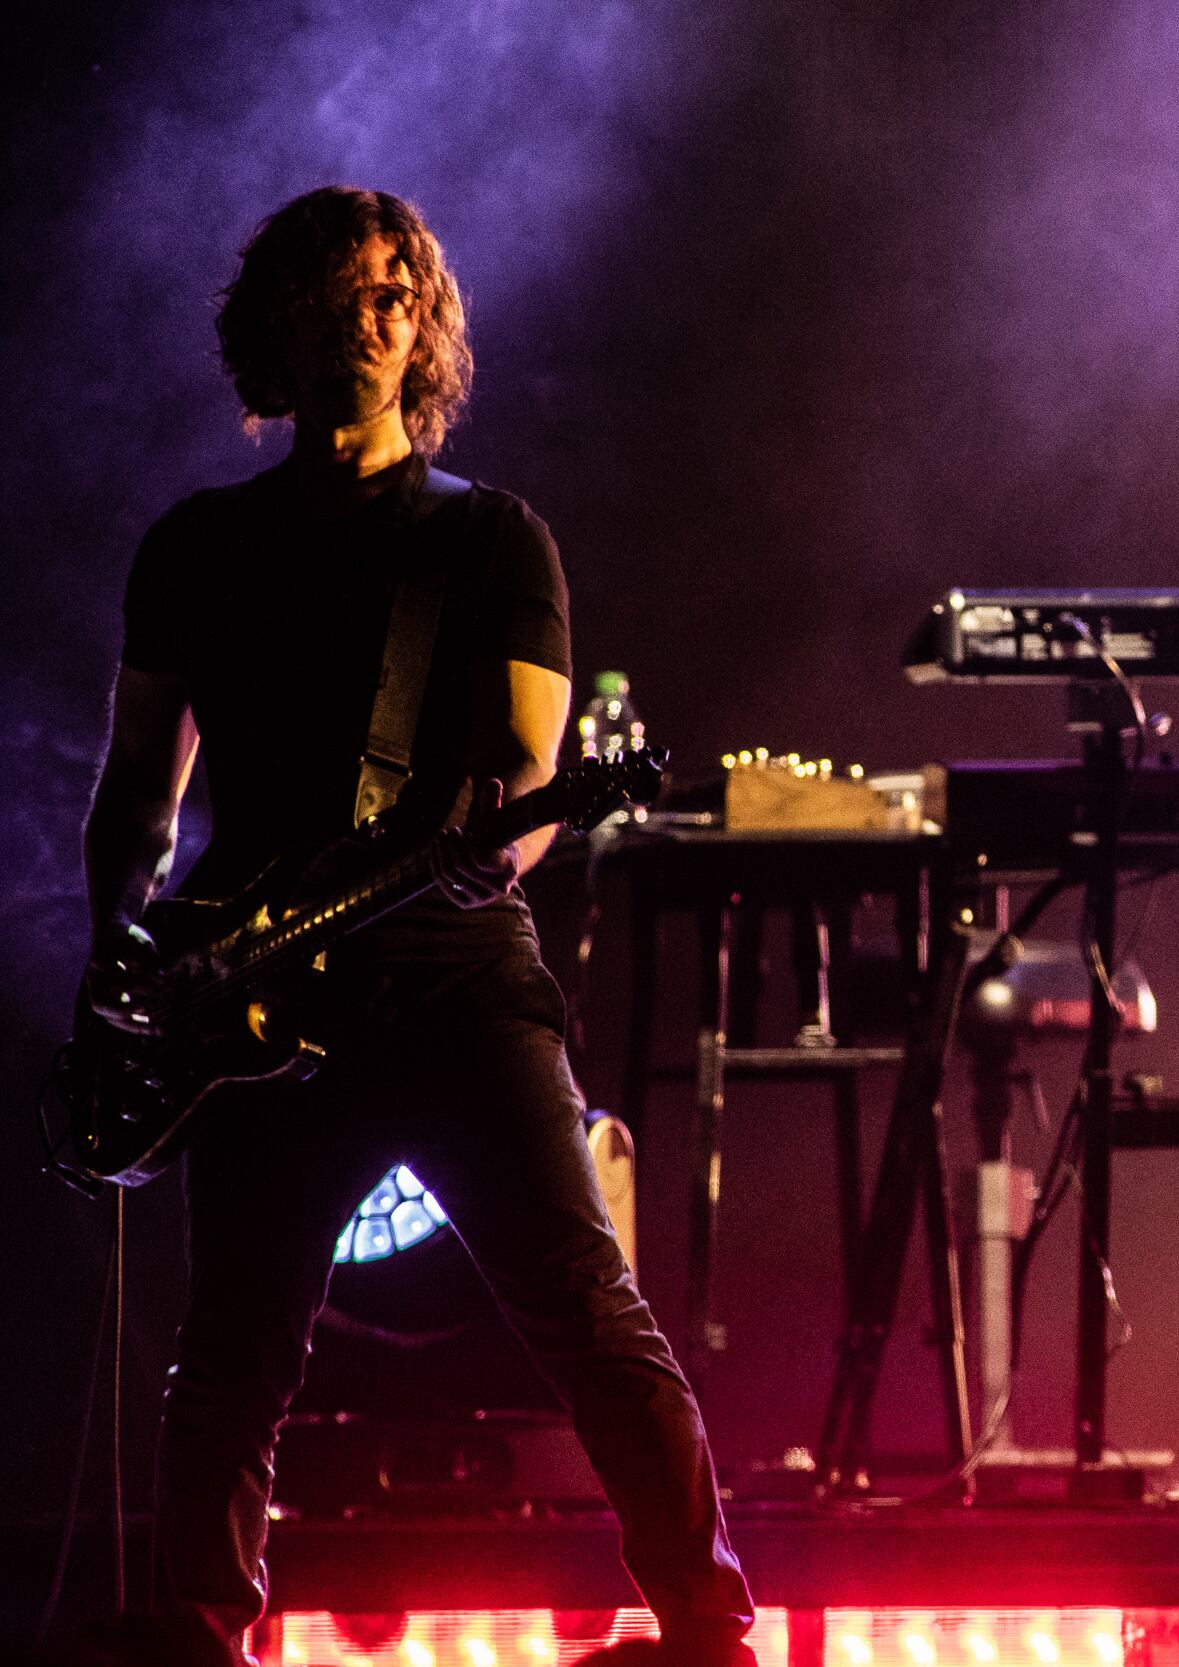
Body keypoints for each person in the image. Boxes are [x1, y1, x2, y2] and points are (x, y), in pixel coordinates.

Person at [78, 188, 753, 1666]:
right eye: (337, 294)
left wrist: (486, 844)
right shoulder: (195, 549)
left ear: (424, 328)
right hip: (252, 1006)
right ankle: (200, 1639)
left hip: (451, 988)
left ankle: (711, 1634)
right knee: (230, 1360)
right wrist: (118, 972)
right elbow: (137, 798)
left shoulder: (491, 541)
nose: (367, 320)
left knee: (587, 1313)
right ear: (278, 324)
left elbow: (528, 774)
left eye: (394, 294)